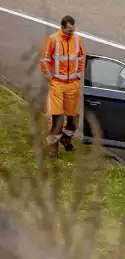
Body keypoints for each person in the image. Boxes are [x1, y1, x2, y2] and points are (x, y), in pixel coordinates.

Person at [40, 15, 85, 158]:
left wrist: (78, 75)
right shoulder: (53, 39)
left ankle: (67, 138)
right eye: (69, 30)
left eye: (73, 30)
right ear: (62, 28)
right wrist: (51, 80)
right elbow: (44, 61)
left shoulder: (77, 39)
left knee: (73, 121)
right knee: (57, 119)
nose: (71, 33)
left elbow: (81, 58)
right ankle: (53, 147)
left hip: (73, 84)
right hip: (58, 84)